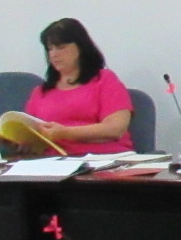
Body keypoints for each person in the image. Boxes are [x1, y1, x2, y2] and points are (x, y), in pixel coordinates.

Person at [22, 18, 133, 153]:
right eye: (50, 49)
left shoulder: (104, 80)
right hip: (53, 163)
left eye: (61, 47)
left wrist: (65, 133)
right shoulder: (40, 92)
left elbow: (115, 129)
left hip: (102, 160)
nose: (54, 54)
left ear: (81, 47)